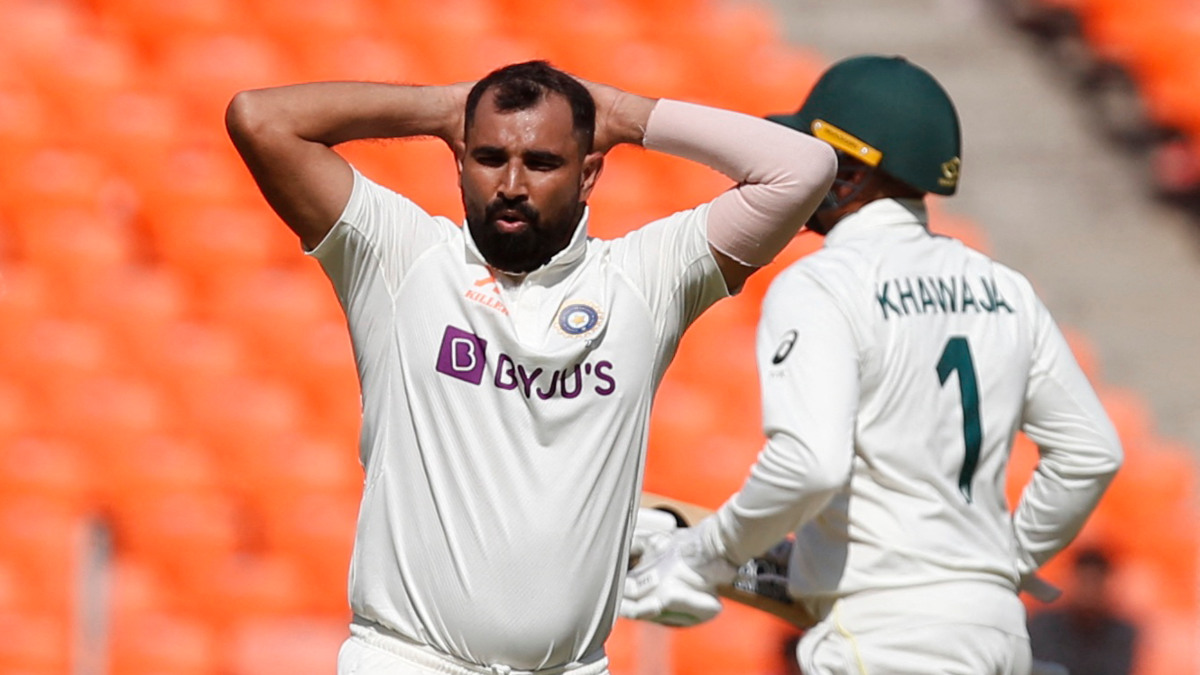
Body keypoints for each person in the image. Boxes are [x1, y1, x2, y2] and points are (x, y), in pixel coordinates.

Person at [225, 60, 835, 675]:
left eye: (542, 163)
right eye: (489, 158)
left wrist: (622, 114)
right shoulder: (403, 258)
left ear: (588, 173)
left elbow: (803, 168)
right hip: (410, 660)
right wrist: (446, 108)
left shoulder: (648, 280)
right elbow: (261, 119)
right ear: (459, 160)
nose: (512, 184)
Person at [621, 55, 1123, 674]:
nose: (792, 175)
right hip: (997, 633)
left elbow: (810, 464)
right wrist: (997, 567)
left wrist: (705, 554)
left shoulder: (825, 282)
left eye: (811, 159)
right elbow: (1091, 453)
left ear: (850, 176)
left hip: (886, 637)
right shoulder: (1005, 288)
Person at [1028, 547, 1139, 675]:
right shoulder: (1044, 626)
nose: (1088, 592)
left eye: (1094, 582)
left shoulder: (1121, 633)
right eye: (1084, 581)